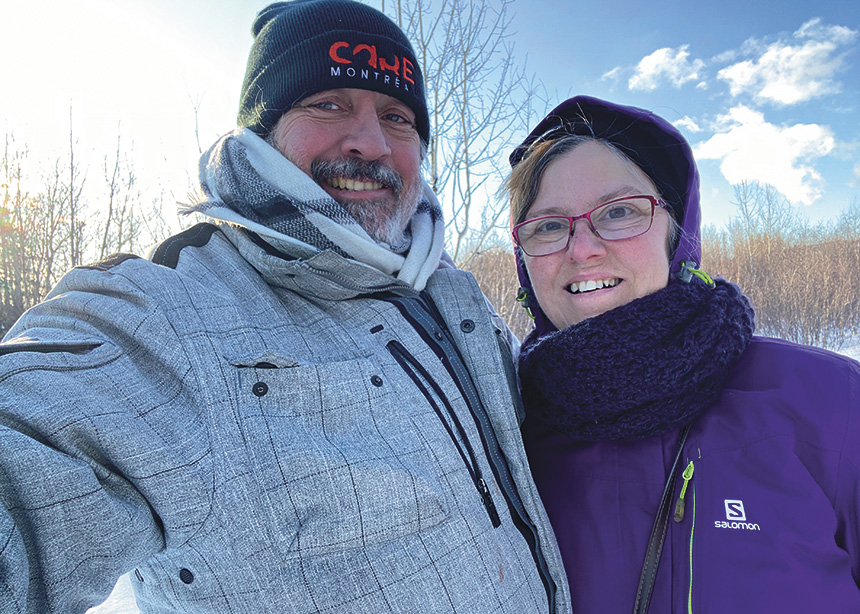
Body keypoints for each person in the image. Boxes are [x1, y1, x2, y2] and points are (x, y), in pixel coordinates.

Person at [0, 2, 572, 612]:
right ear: (263, 129)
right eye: (328, 104)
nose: (371, 142)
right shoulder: (173, 315)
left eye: (397, 117)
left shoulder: (454, 295)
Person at [506, 95, 860, 613]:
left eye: (620, 211)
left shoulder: (831, 405)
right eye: (549, 225)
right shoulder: (503, 439)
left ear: (677, 232)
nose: (582, 248)